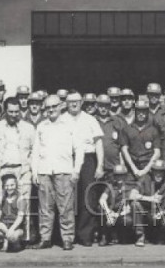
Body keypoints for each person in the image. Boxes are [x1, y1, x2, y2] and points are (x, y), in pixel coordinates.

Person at [31, 94, 81, 250]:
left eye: (54, 106)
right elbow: (36, 150)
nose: (50, 110)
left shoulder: (70, 125)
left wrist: (76, 170)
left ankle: (67, 239)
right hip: (45, 171)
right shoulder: (41, 126)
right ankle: (45, 238)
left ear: (61, 106)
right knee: (45, 207)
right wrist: (34, 171)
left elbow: (79, 149)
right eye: (47, 107)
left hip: (64, 170)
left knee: (65, 207)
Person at [62, 91, 104, 247]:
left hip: (88, 159)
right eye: (70, 101)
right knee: (67, 197)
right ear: (66, 103)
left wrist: (99, 165)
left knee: (88, 196)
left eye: (77, 101)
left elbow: (98, 143)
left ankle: (85, 235)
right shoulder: (61, 119)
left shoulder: (90, 119)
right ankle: (68, 236)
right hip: (67, 158)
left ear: (81, 103)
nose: (74, 104)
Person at [131, 159, 165, 246]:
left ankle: (162, 236)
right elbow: (132, 195)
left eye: (161, 172)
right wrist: (150, 199)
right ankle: (140, 235)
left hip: (160, 215)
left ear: (164, 173)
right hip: (146, 213)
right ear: (152, 171)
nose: (158, 174)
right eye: (156, 171)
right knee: (135, 204)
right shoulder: (145, 179)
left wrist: (162, 213)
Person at [121, 99, 160, 184]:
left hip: (148, 168)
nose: (141, 114)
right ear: (135, 111)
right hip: (131, 169)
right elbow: (124, 150)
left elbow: (157, 153)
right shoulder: (127, 129)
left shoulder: (153, 130)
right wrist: (134, 169)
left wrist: (145, 170)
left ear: (147, 112)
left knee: (146, 190)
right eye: (138, 111)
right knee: (127, 192)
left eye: (143, 111)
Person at [0, 173, 25, 252]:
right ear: (3, 186)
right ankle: (5, 240)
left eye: (12, 185)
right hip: (5, 225)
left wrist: (12, 229)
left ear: (16, 185)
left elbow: (20, 219)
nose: (9, 188)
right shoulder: (1, 197)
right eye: (7, 185)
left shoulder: (21, 198)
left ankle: (16, 242)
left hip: (17, 226)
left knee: (12, 236)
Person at [97, 164, 135, 246]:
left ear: (125, 176)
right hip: (110, 212)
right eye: (117, 176)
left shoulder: (129, 188)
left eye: (122, 176)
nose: (119, 178)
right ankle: (105, 236)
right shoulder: (110, 186)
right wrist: (108, 213)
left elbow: (128, 208)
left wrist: (116, 215)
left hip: (121, 213)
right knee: (100, 208)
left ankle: (122, 235)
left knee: (128, 220)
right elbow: (102, 199)